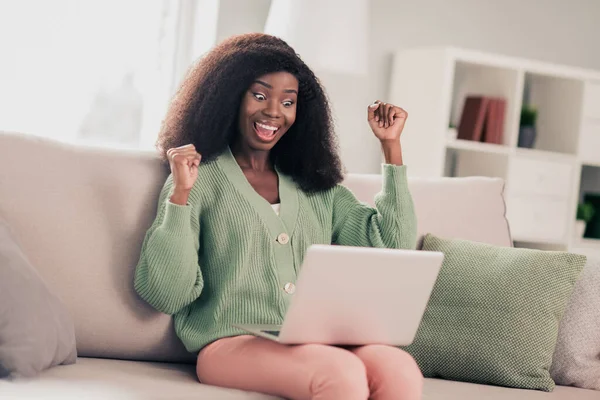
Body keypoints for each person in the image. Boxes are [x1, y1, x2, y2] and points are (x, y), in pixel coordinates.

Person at [134, 33, 420, 400]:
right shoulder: (198, 178)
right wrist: (181, 195)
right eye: (259, 96)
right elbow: (165, 293)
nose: (274, 111)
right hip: (228, 343)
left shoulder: (316, 187)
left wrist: (391, 147)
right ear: (229, 98)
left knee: (399, 368)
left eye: (288, 102)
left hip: (310, 340)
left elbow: (391, 247)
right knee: (340, 373)